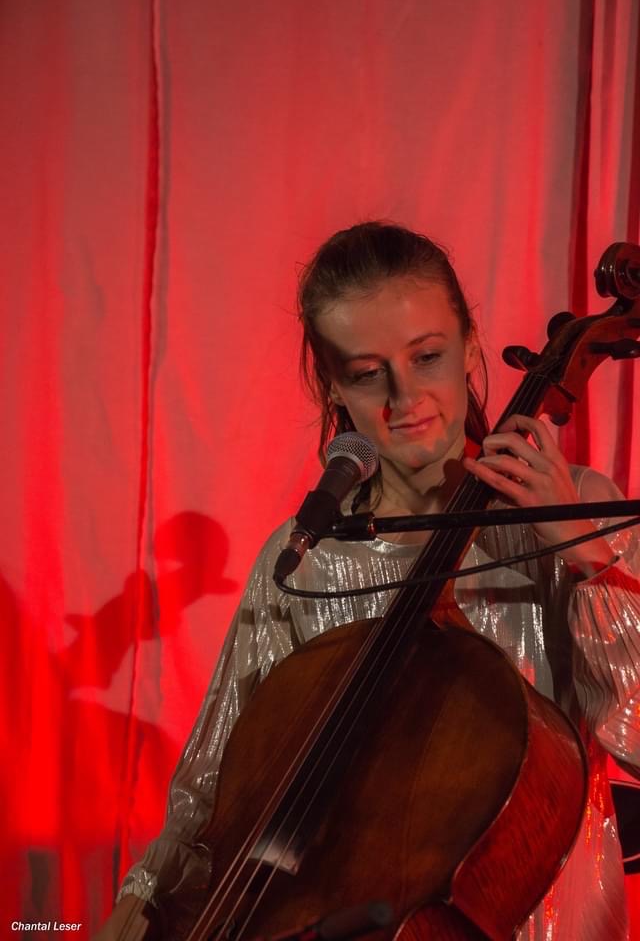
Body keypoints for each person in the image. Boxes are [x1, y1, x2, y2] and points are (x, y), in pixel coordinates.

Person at [96, 221, 640, 940]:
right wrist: (140, 904)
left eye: (429, 356)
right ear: (334, 387)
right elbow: (210, 792)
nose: (405, 396)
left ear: (472, 344)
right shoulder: (306, 558)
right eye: (365, 372)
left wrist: (585, 553)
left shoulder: (575, 513)